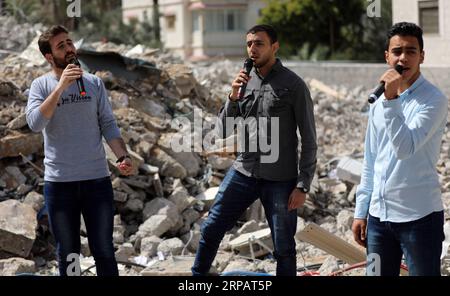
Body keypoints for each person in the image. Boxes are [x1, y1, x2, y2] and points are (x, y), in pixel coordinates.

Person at [192, 24, 317, 276]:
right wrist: (233, 97)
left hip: (280, 179)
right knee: (212, 228)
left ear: (274, 46)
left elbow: (309, 138)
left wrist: (303, 185)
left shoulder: (294, 85)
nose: (252, 49)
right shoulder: (243, 82)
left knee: (283, 246)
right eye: (249, 44)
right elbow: (223, 131)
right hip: (244, 172)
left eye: (259, 43)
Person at [26, 25, 134, 276]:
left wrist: (123, 156)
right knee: (69, 251)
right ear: (49, 57)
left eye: (70, 42)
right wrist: (61, 87)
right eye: (61, 46)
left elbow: (108, 123)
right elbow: (34, 124)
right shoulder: (41, 86)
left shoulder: (94, 83)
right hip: (60, 183)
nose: (69, 48)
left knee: (104, 249)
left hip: (96, 180)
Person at [352, 22, 447, 276]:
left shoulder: (433, 100)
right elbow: (371, 158)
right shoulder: (380, 100)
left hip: (419, 219)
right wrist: (361, 211)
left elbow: (406, 147)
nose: (403, 58)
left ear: (422, 56)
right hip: (378, 221)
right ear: (387, 56)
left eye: (411, 51)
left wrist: (392, 100)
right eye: (397, 51)